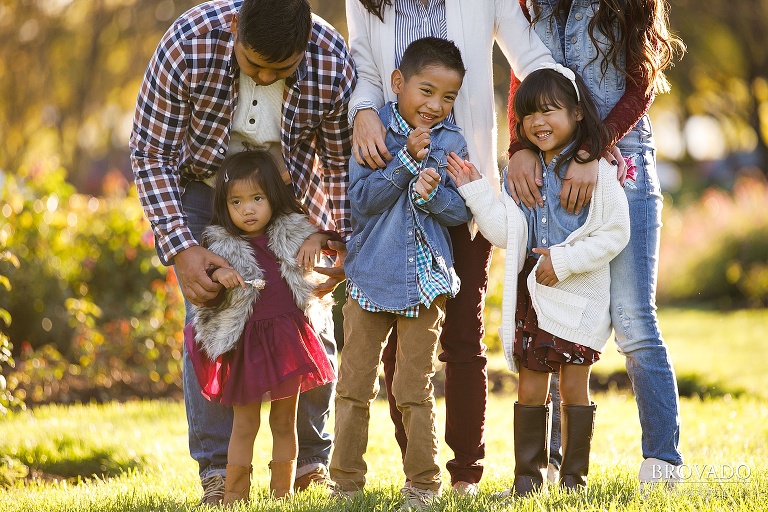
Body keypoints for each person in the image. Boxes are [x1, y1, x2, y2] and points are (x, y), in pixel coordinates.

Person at [130, 0, 355, 504]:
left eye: (283, 69)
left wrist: (336, 238)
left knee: (306, 313)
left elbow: (339, 164)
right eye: (255, 64)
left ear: (306, 48)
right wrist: (181, 248)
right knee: (211, 316)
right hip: (202, 188)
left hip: (287, 193)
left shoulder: (330, 59)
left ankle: (311, 462)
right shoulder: (189, 42)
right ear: (235, 28)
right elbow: (151, 153)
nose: (267, 75)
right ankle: (216, 470)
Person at [345, 0, 557, 493]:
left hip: (462, 183)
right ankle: (418, 471)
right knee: (396, 355)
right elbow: (365, 65)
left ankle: (464, 473)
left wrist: (530, 142)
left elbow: (533, 61)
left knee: (462, 339)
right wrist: (362, 113)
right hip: (388, 175)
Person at [505, 0, 687, 485]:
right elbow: (524, 75)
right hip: (548, 159)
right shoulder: (531, 4)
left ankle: (662, 461)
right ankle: (558, 466)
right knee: (556, 307)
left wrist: (594, 146)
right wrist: (519, 147)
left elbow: (641, 82)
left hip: (620, 157)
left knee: (632, 318)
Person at [448, 65, 630, 495]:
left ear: (578, 114)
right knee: (529, 388)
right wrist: (476, 190)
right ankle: (527, 481)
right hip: (536, 298)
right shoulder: (524, 174)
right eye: (528, 115)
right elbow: (506, 232)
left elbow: (615, 232)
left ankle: (573, 481)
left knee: (572, 387)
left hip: (576, 297)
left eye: (549, 111)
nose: (538, 122)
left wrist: (564, 261)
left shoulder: (597, 172)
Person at [329, 37, 472, 510]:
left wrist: (434, 194)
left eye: (448, 97)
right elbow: (364, 201)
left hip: (422, 280)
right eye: (426, 91)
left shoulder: (452, 142)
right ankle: (346, 482)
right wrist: (407, 161)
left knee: (414, 388)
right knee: (354, 384)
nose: (435, 105)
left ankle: (424, 486)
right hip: (370, 275)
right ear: (398, 84)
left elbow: (458, 213)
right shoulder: (374, 134)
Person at [184, 150, 337, 504]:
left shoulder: (291, 233)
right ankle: (234, 495)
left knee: (285, 421)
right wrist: (219, 273)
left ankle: (281, 494)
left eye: (257, 198)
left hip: (288, 345)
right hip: (247, 348)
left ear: (272, 197)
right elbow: (207, 280)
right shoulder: (220, 244)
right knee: (245, 424)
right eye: (236, 202)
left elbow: (321, 238)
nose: (247, 209)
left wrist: (317, 240)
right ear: (224, 205)